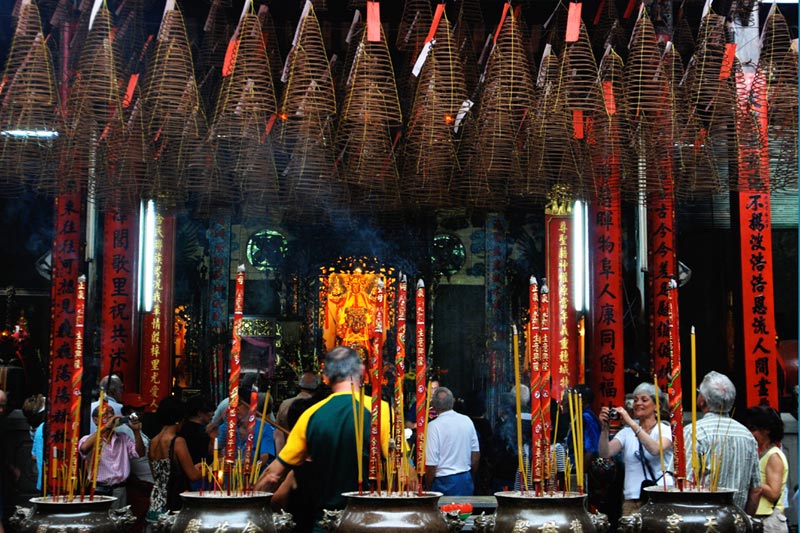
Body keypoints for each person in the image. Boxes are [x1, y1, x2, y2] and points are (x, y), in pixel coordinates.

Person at [254, 346, 391, 532]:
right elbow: (403, 472)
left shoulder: (311, 415)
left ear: (325, 377)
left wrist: (248, 509)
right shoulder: (379, 410)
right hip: (370, 523)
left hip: (325, 524)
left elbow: (273, 475)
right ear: (362, 372)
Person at [684, 371, 760, 513]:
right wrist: (745, 521)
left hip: (703, 521)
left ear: (702, 401)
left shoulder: (694, 432)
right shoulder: (747, 435)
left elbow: (685, 484)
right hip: (736, 522)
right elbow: (756, 489)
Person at [598, 382, 673, 516]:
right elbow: (605, 452)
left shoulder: (665, 429)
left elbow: (656, 449)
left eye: (644, 400)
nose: (638, 403)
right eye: (636, 400)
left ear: (657, 406)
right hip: (632, 498)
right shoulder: (626, 432)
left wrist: (631, 422)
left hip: (661, 495)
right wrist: (604, 428)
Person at [146, 396, 203, 526]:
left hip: (155, 502)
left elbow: (159, 473)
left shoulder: (153, 442)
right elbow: (193, 476)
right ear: (179, 419)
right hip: (173, 502)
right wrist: (212, 466)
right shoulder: (177, 442)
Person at [79, 402, 145, 508]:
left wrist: (136, 431)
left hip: (119, 489)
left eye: (112, 413)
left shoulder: (123, 438)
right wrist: (104, 428)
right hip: (99, 489)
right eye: (106, 413)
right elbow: (84, 449)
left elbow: (140, 453)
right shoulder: (88, 439)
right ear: (96, 420)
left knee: (119, 521)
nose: (110, 416)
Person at [424, 387, 480, 496]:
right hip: (464, 478)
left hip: (443, 482)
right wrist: (470, 476)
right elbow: (476, 455)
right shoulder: (467, 421)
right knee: (465, 512)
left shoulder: (433, 427)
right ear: (453, 402)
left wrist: (428, 487)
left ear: (433, 405)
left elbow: (431, 464)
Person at [744, 405, 789, 532]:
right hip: (761, 520)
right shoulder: (763, 454)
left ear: (767, 430)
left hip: (769, 521)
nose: (751, 433)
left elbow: (774, 492)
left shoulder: (773, 456)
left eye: (754, 429)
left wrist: (751, 479)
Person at [274, 371, 321, 454]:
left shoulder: (285, 404)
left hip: (288, 452)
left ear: (299, 385)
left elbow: (278, 430)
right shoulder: (319, 406)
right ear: (318, 387)